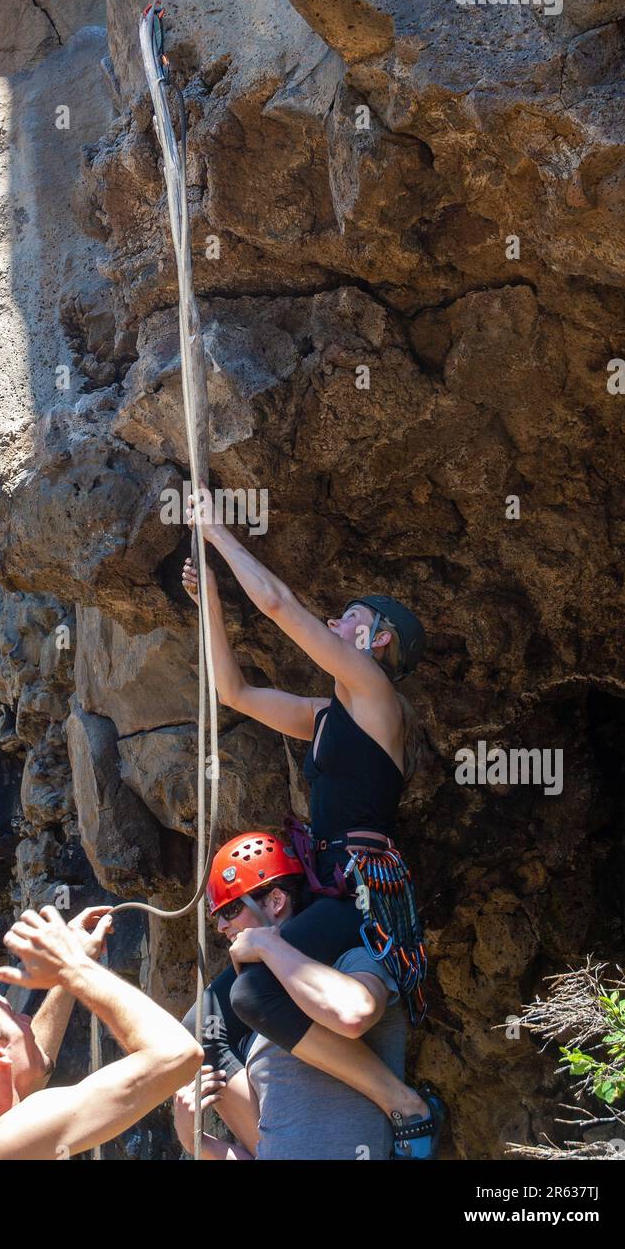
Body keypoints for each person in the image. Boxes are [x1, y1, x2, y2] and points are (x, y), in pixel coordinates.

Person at [182, 486, 444, 1155]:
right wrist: (209, 598)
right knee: (216, 1010)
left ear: (375, 638)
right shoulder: (324, 715)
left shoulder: (376, 697)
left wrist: (218, 533)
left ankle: (402, 1103)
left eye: (347, 616)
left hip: (360, 886)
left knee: (255, 991)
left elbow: (277, 604)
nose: (332, 619)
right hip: (333, 881)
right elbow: (232, 693)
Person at [175, 832, 429, 1160]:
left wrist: (269, 945)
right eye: (218, 916)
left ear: (277, 901)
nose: (223, 926)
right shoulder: (255, 1025)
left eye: (232, 909)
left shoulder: (346, 962)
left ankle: (405, 1105)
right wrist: (193, 1140)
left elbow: (355, 1014)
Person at [0, 904, 203, 1159]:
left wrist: (67, 974)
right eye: (14, 1016)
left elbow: (24, 1070)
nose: (27, 1021)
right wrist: (75, 970)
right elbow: (177, 1054)